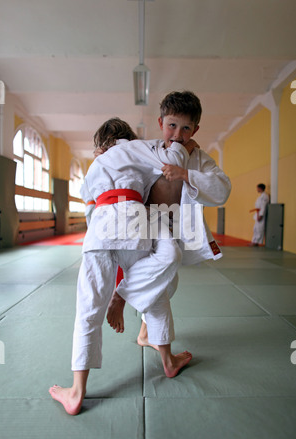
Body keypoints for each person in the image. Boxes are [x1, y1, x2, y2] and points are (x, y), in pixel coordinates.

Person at [49, 118, 196, 415]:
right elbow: (168, 166)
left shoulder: (96, 165)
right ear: (128, 136)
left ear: (100, 144)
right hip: (135, 223)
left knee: (89, 310)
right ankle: (168, 362)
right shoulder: (142, 148)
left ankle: (76, 392)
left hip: (101, 225)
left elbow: (87, 198)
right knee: (156, 298)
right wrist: (184, 147)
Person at [107, 91, 232, 348]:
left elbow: (222, 188)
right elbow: (119, 153)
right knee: (163, 272)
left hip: (175, 226)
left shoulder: (199, 159)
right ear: (161, 122)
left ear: (196, 129)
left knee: (168, 283)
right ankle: (121, 298)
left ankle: (144, 333)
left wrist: (186, 174)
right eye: (172, 125)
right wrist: (103, 152)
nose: (177, 134)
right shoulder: (148, 150)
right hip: (144, 224)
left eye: (186, 128)